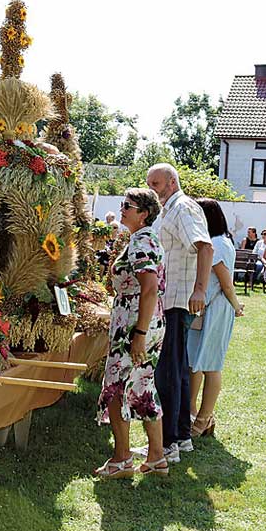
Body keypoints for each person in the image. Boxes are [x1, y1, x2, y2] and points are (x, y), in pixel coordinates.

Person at [94, 188, 167, 478]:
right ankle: (156, 458)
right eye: (122, 204)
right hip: (147, 320)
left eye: (128, 206)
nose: (122, 209)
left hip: (135, 323)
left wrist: (139, 333)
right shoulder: (147, 239)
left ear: (144, 214)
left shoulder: (141, 242)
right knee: (144, 386)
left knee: (115, 387)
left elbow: (149, 289)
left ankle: (122, 458)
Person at [145, 163, 212, 463]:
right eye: (149, 184)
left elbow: (205, 248)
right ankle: (182, 436)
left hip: (176, 301)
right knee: (177, 369)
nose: (152, 190)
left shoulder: (183, 207)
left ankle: (168, 442)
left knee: (168, 372)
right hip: (169, 299)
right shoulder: (169, 209)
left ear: (172, 182)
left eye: (156, 184)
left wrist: (200, 290)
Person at [187, 199, 244, 439]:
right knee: (194, 361)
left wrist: (236, 306)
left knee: (211, 364)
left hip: (216, 308)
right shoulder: (217, 241)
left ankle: (203, 418)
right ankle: (191, 413)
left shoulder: (217, 244)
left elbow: (225, 282)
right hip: (204, 308)